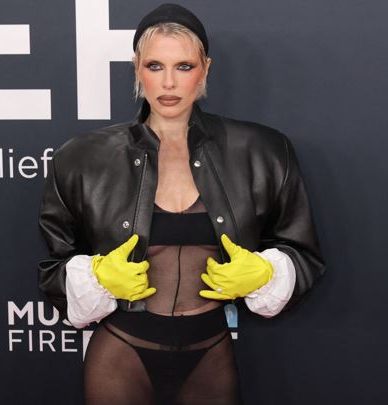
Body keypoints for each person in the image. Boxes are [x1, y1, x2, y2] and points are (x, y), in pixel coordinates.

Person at [38, 3, 325, 404]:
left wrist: (265, 273)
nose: (169, 82)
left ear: (205, 69)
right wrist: (99, 276)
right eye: (155, 66)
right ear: (137, 68)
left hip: (211, 354)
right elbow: (52, 269)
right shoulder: (82, 157)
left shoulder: (263, 150)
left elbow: (303, 253)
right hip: (119, 355)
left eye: (184, 66)